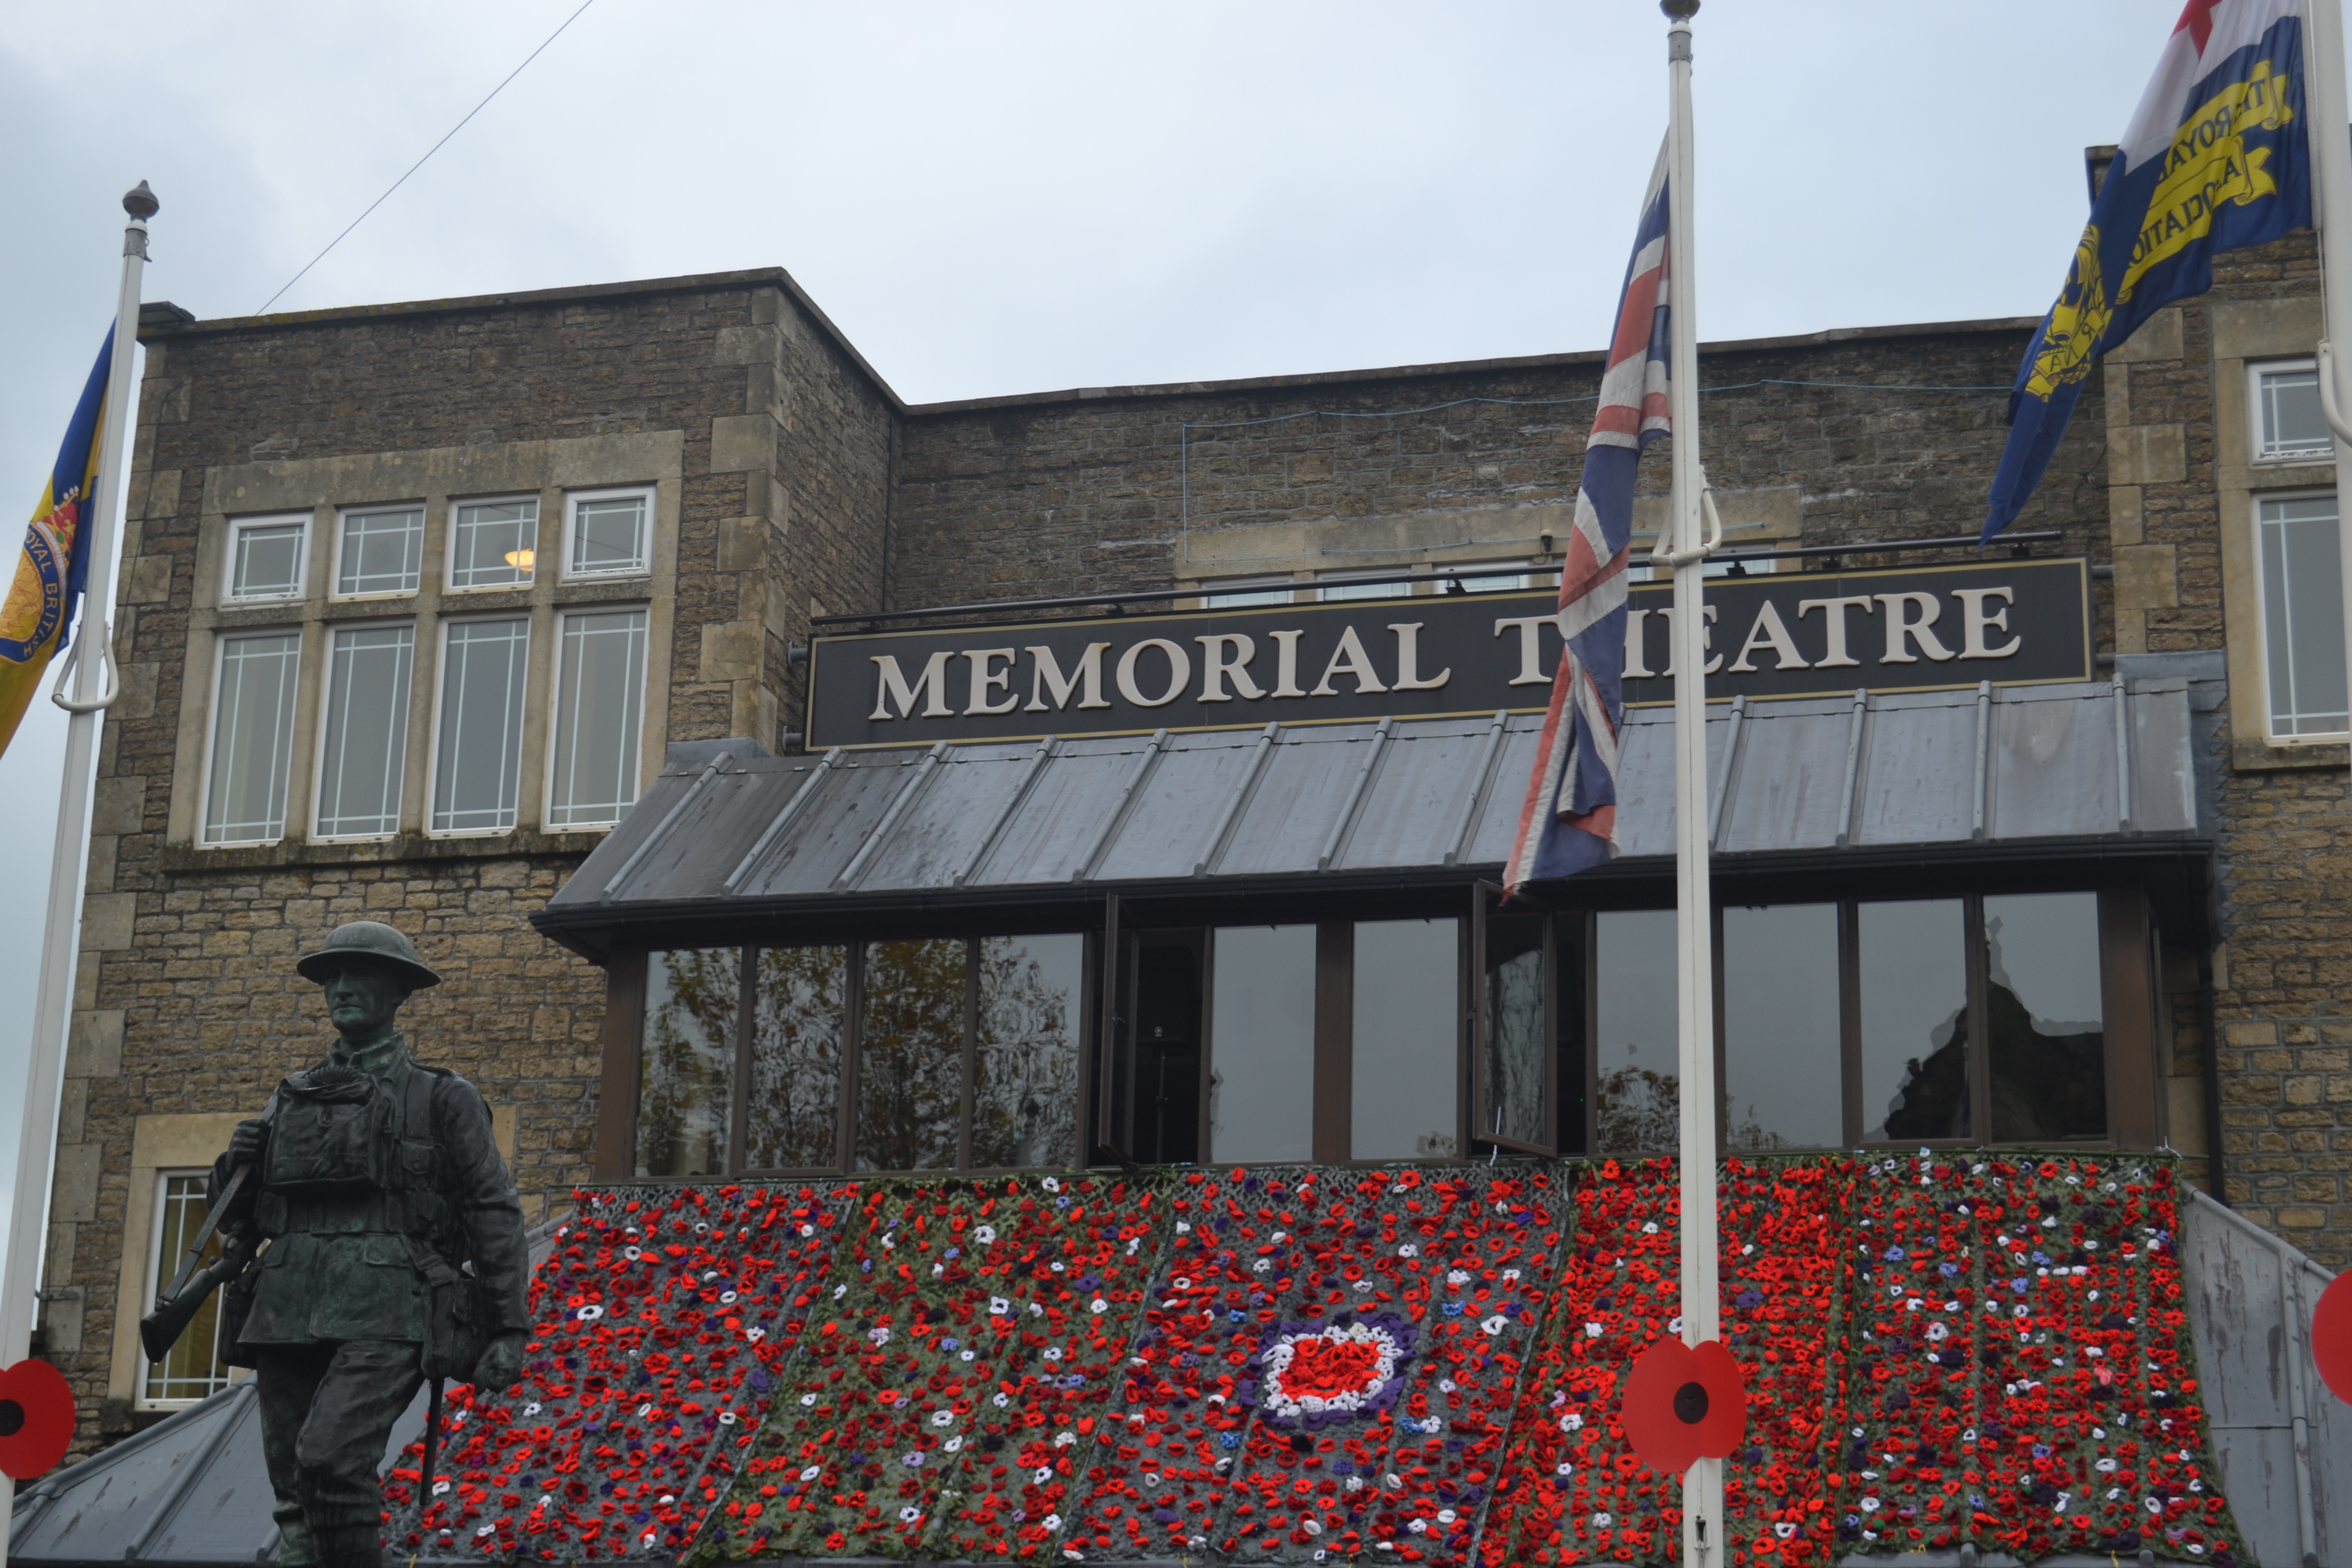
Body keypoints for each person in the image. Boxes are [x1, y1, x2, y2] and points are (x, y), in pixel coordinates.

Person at [211, 921, 529, 1568]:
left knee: (329, 1459)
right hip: (288, 1301)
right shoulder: (289, 1096)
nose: (343, 989)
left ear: (398, 993)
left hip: (392, 1304)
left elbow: (492, 1208)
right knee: (294, 1494)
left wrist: (508, 1328)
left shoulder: (443, 1097)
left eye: (361, 976)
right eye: (333, 978)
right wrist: (234, 1166)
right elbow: (246, 1219)